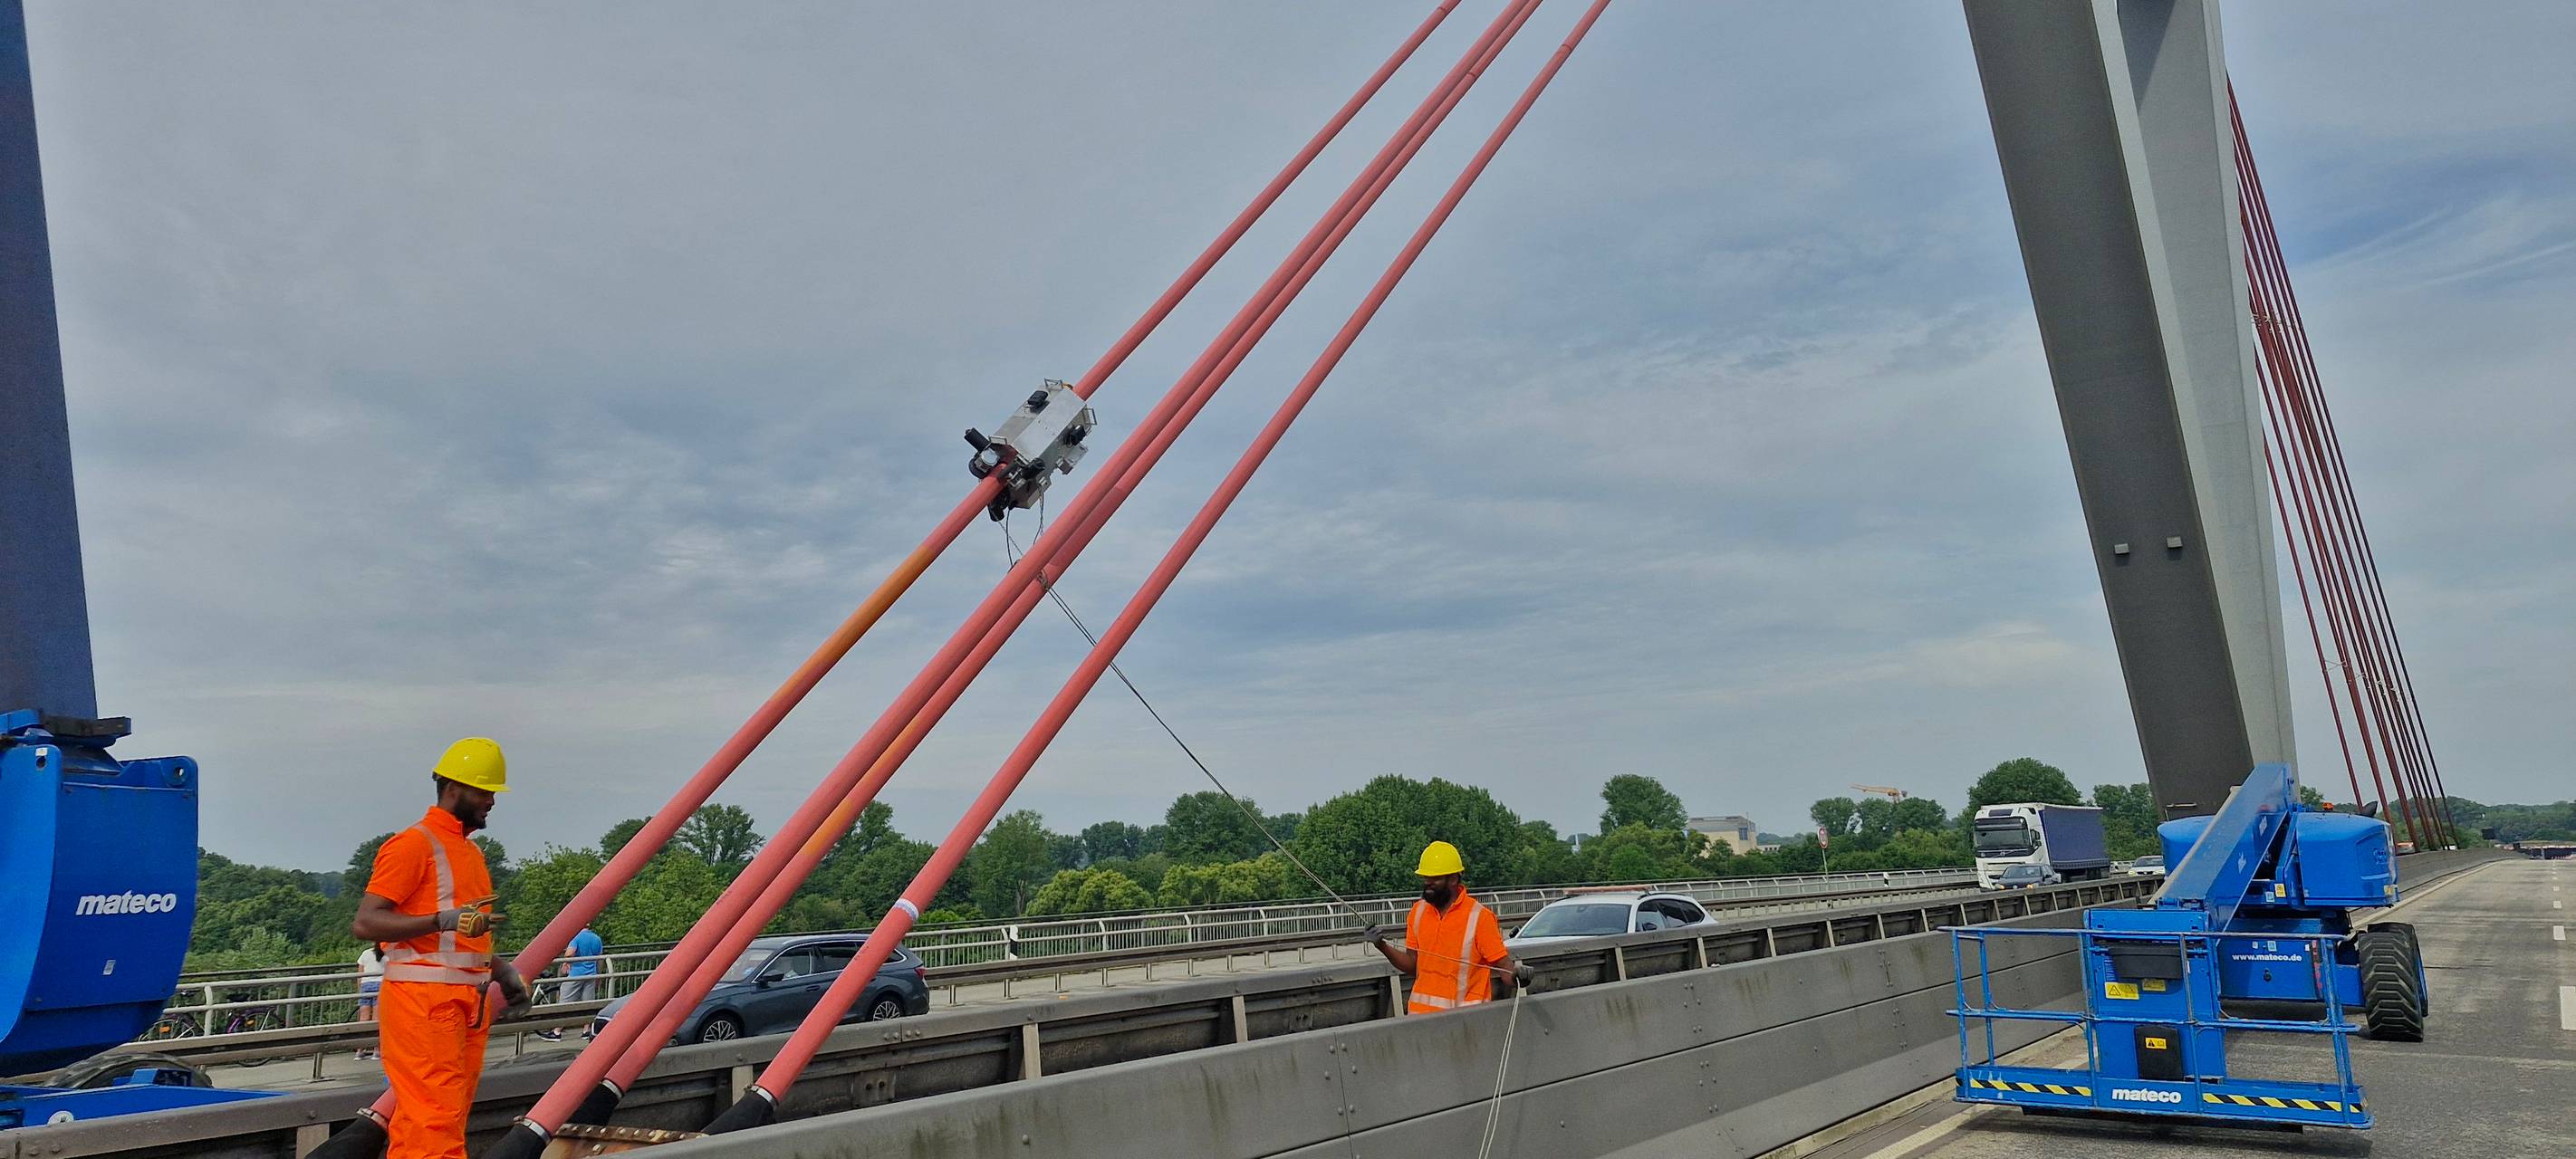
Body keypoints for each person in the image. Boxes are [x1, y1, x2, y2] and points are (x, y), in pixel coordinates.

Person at [351, 737, 533, 1159]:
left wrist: (500, 969)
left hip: (461, 1005)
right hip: (423, 1005)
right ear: (453, 789)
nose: (491, 801)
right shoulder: (414, 844)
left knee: (438, 1120)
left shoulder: (469, 853)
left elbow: (457, 943)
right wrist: (438, 919)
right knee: (434, 1120)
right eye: (484, 791)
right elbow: (366, 922)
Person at [1366, 841, 1533, 1013]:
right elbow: (1412, 965)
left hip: (1464, 1023)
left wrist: (1519, 977)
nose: (1428, 883)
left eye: (1435, 878)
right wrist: (1382, 946)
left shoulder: (1479, 917)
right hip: (1420, 1021)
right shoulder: (1418, 912)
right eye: (1425, 877)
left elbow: (1504, 967)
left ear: (1453, 879)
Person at [537, 924, 606, 1042]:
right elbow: (599, 958)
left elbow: (570, 953)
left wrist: (566, 962)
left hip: (576, 974)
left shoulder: (576, 937)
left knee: (565, 1002)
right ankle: (586, 1031)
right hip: (591, 974)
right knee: (588, 1004)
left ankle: (557, 1032)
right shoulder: (596, 938)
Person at [353, 943, 386, 1061]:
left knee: (363, 1018)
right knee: (376, 1019)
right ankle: (376, 1050)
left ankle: (360, 1050)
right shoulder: (387, 955)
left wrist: (359, 990)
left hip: (366, 985)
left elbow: (360, 974)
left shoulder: (365, 954)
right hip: (380, 985)